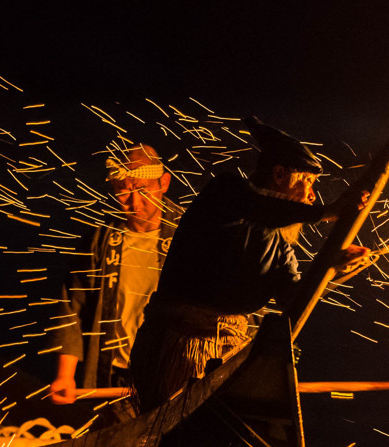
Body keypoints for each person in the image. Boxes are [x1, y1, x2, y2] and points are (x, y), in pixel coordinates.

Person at [129, 117, 367, 410]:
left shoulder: (281, 242)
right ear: (279, 174)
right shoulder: (226, 193)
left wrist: (333, 270)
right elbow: (260, 209)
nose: (311, 194)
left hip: (227, 353)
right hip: (176, 350)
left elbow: (293, 299)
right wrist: (326, 212)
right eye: (307, 181)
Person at [48, 142, 182, 404]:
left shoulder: (189, 234)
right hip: (114, 376)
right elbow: (72, 305)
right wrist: (65, 375)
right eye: (123, 193)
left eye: (143, 191)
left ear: (164, 184)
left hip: (172, 375)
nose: (134, 203)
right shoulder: (100, 240)